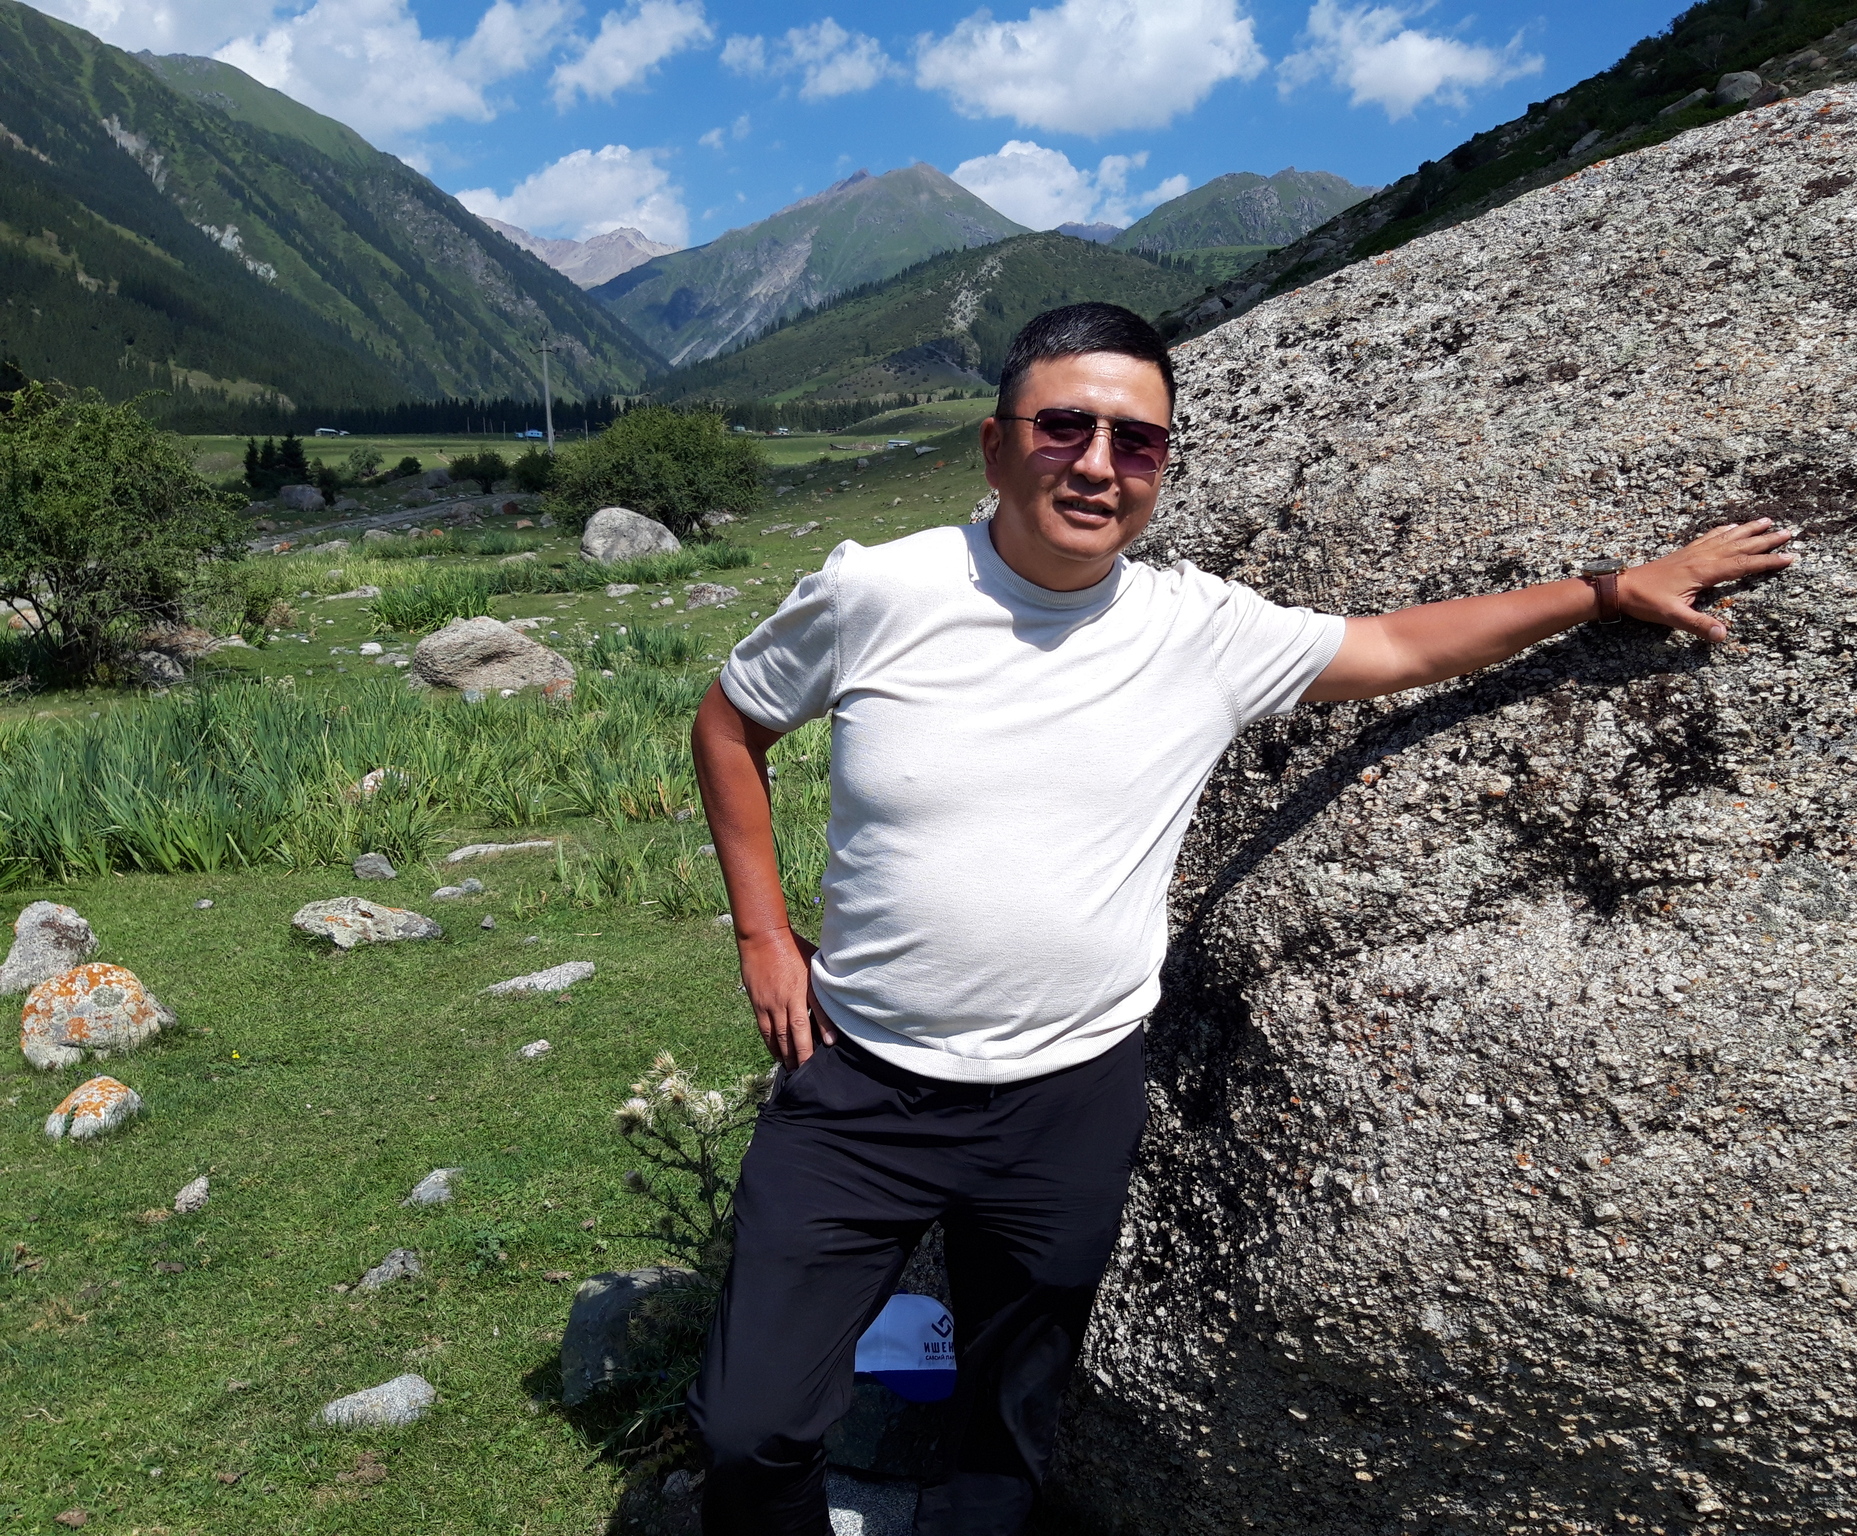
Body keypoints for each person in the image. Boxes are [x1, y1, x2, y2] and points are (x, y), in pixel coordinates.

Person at [688, 302, 1795, 1534]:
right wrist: (762, 932)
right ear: (995, 446)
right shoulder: (879, 592)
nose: (1098, 465)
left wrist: (1605, 590)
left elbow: (1391, 649)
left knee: (1008, 1418)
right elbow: (730, 722)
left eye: (1137, 443)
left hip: (1067, 1096)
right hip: (858, 1082)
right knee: (748, 1431)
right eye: (1063, 428)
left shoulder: (1195, 631)